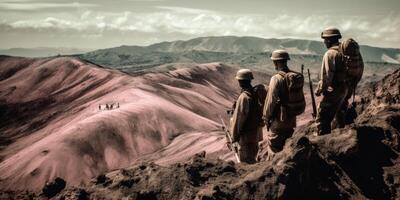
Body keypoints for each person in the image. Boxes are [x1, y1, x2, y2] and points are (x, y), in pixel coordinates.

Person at [263, 50, 303, 160]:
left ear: (275, 63)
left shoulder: (276, 78)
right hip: (291, 119)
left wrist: (266, 118)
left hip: (278, 120)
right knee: (287, 147)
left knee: (274, 149)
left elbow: (270, 101)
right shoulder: (293, 77)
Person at [315, 27, 349, 135]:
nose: (324, 42)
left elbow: (326, 77)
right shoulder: (343, 51)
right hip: (345, 88)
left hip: (335, 90)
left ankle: (323, 142)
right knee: (339, 115)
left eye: (325, 39)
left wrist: (319, 90)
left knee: (322, 118)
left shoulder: (330, 54)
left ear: (329, 40)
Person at [230, 69, 263, 164]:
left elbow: (239, 120)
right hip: (255, 133)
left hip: (246, 137)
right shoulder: (254, 94)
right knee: (252, 157)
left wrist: (234, 137)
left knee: (246, 162)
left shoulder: (244, 97)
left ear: (240, 81)